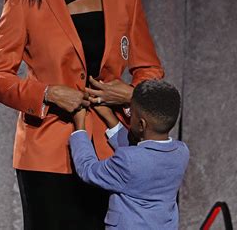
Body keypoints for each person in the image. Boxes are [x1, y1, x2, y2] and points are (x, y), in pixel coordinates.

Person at [0, 0, 164, 229]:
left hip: (114, 150)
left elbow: (149, 69)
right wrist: (48, 93)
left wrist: (130, 95)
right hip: (47, 153)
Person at [70, 80, 189, 229]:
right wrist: (110, 118)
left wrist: (79, 126)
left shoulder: (128, 161)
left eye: (130, 112)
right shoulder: (182, 151)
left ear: (141, 124)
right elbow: (144, 156)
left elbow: (88, 170)